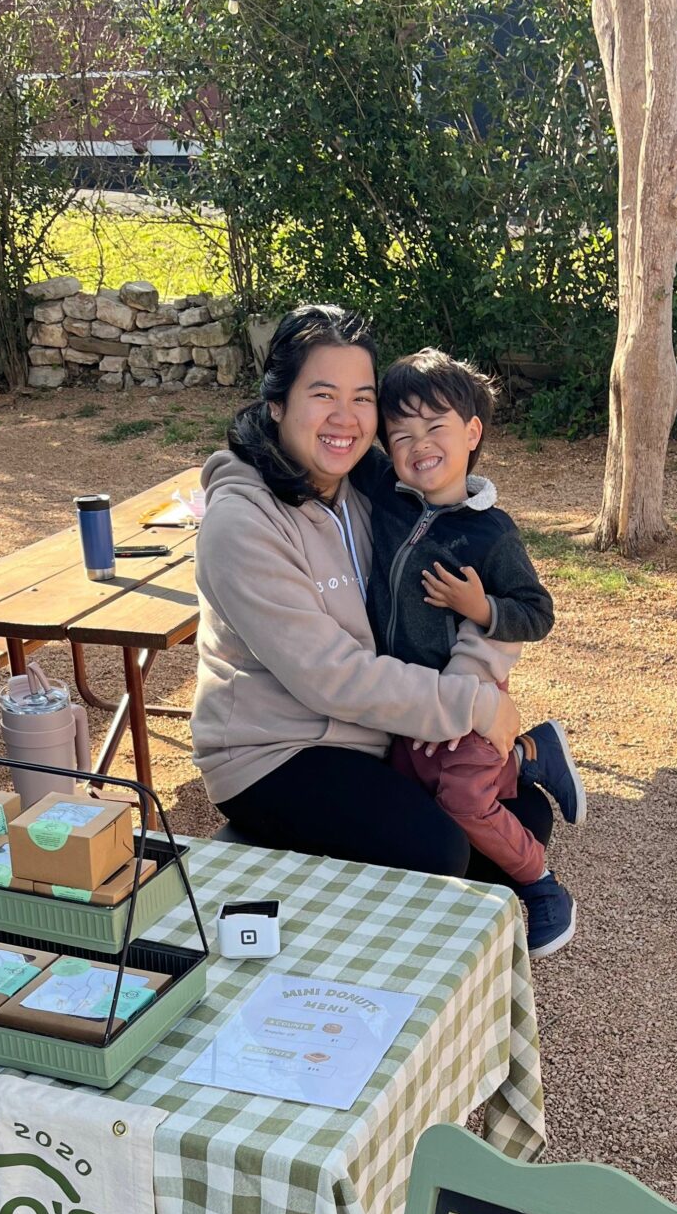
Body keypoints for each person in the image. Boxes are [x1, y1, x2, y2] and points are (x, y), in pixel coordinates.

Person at [189, 304, 555, 892]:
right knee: (438, 851)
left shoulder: (371, 490)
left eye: (362, 398)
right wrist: (473, 706)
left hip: (375, 734)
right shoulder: (241, 525)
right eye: (322, 394)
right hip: (275, 752)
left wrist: (476, 673)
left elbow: (471, 549)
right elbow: (331, 677)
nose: (345, 418)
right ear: (276, 401)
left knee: (526, 816)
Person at [354, 347, 585, 956]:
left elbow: (537, 612)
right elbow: (329, 437)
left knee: (462, 801)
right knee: (415, 791)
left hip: (469, 696)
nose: (419, 445)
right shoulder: (387, 495)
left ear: (472, 433)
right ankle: (531, 755)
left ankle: (541, 886)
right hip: (410, 702)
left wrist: (480, 608)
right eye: (401, 434)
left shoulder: (490, 532)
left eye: (436, 427)